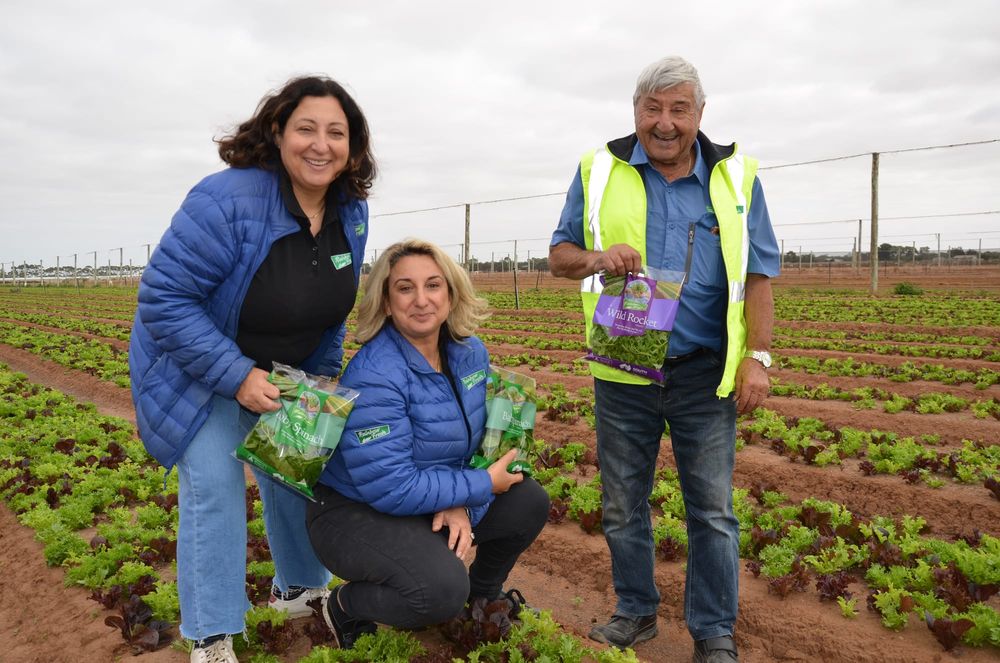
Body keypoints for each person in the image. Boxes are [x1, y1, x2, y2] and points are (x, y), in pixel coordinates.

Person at [129, 76, 377, 663]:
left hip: (281, 367)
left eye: (336, 133)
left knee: (294, 470)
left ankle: (297, 589)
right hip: (198, 367)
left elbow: (331, 305)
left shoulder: (352, 211)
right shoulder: (227, 200)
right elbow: (164, 299)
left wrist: (318, 381)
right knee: (216, 486)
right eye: (306, 129)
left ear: (353, 147)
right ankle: (212, 636)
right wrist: (236, 375)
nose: (321, 145)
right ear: (277, 132)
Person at [548, 56, 780, 663]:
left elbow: (758, 275)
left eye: (679, 108)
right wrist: (597, 258)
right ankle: (636, 610)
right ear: (635, 113)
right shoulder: (597, 170)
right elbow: (559, 256)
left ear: (700, 114)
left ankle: (712, 631)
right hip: (624, 366)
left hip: (705, 370)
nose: (666, 122)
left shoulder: (738, 177)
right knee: (623, 502)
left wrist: (757, 357)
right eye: (653, 108)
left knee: (712, 510)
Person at [306, 238, 550, 649]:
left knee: (529, 501)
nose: (421, 300)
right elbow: (390, 485)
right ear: (386, 301)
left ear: (451, 293)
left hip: (429, 493)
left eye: (433, 285)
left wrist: (461, 501)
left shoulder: (470, 354)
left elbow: (471, 447)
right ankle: (345, 605)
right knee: (437, 590)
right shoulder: (375, 374)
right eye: (405, 288)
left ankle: (483, 594)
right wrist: (477, 487)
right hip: (355, 512)